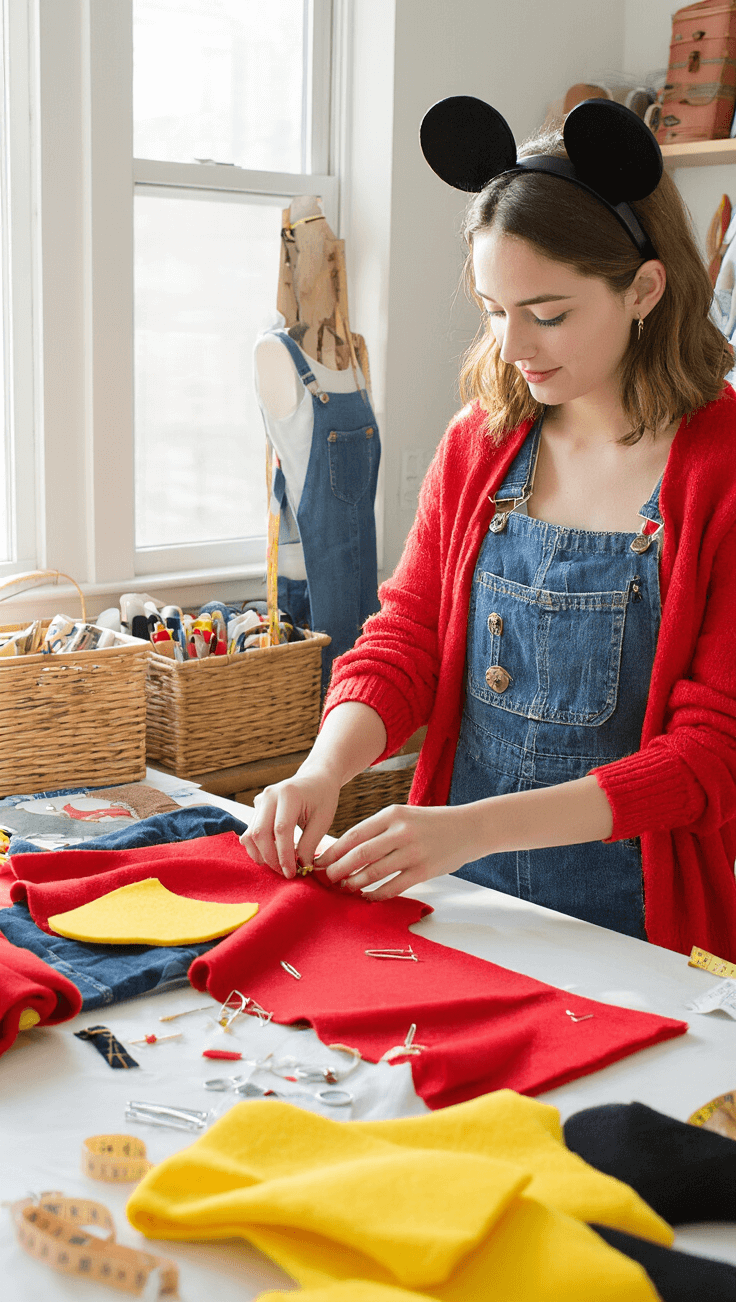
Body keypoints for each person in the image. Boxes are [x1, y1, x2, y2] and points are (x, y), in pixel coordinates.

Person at [241, 97, 736, 960]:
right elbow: (406, 641)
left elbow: (709, 757)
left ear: (645, 288)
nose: (513, 347)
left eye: (547, 313)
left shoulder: (720, 468)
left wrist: (467, 829)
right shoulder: (484, 441)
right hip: (461, 899)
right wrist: (324, 769)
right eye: (493, 310)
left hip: (638, 931)